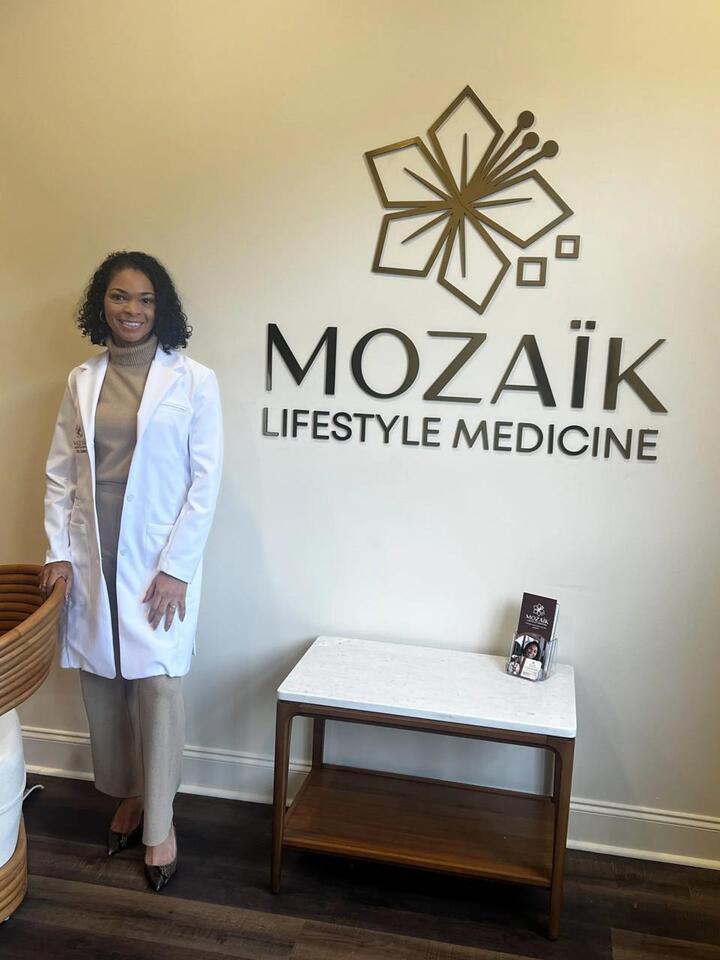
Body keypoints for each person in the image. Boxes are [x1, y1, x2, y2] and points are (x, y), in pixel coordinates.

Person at [39, 251, 223, 892]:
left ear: (161, 308)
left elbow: (204, 484)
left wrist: (176, 569)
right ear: (103, 304)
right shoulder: (82, 379)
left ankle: (161, 826)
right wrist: (58, 551)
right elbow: (61, 472)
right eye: (120, 297)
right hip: (95, 547)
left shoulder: (194, 381)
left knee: (158, 688)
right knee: (106, 685)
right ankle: (131, 794)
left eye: (145, 299)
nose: (132, 310)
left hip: (157, 556)